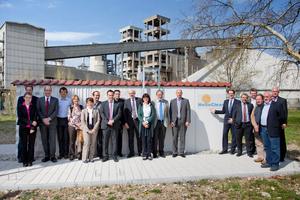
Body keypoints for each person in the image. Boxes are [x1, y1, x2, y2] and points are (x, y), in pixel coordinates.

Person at [260, 91, 286, 171]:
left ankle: (275, 164)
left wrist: (279, 123)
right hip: (264, 128)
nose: (265, 98)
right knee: (267, 147)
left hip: (273, 129)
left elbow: (282, 116)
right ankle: (269, 162)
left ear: (271, 97)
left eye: (267, 96)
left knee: (275, 147)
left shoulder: (277, 105)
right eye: (264, 97)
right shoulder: (263, 105)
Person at [209, 89, 239, 155]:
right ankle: (224, 149)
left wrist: (233, 119)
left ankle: (232, 149)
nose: (231, 94)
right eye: (229, 93)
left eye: (232, 93)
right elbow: (223, 111)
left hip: (234, 121)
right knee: (225, 134)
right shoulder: (226, 101)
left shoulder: (237, 102)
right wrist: (215, 111)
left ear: (234, 94)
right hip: (226, 120)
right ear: (228, 94)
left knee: (234, 135)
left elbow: (238, 112)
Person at [37, 86, 59, 163]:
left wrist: (49, 119)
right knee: (44, 139)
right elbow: (38, 111)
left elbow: (56, 111)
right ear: (44, 91)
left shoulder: (55, 100)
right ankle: (47, 155)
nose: (48, 92)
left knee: (52, 139)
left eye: (49, 90)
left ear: (51, 91)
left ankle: (53, 156)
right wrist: (44, 119)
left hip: (52, 122)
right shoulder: (39, 100)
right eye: (46, 90)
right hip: (42, 123)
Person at [17, 85, 38, 163]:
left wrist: (32, 127)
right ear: (24, 98)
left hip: (32, 128)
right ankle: (23, 159)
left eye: (29, 98)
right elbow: (20, 117)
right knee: (23, 144)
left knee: (31, 144)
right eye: (27, 97)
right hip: (23, 127)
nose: (28, 99)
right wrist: (31, 122)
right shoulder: (20, 105)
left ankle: (30, 159)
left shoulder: (34, 106)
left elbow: (35, 117)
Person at [100, 90, 122, 162]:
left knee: (114, 142)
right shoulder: (103, 104)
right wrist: (107, 122)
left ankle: (114, 156)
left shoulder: (118, 104)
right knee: (105, 142)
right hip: (106, 125)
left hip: (114, 125)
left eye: (112, 95)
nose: (111, 96)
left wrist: (113, 121)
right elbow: (102, 113)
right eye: (109, 95)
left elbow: (119, 114)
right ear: (107, 95)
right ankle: (105, 156)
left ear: (114, 95)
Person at [170, 89, 191, 158]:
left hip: (183, 121)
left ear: (182, 93)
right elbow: (170, 112)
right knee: (174, 137)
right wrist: (171, 121)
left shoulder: (186, 101)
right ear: (176, 93)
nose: (179, 94)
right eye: (178, 93)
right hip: (175, 122)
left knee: (182, 137)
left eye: (180, 93)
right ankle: (174, 152)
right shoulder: (172, 101)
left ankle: (181, 152)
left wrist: (188, 120)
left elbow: (188, 111)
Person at [81, 97, 100, 163]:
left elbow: (98, 120)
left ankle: (91, 157)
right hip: (86, 130)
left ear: (93, 103)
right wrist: (87, 130)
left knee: (92, 144)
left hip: (94, 130)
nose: (90, 104)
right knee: (86, 143)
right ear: (86, 103)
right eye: (88, 102)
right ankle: (84, 158)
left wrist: (94, 129)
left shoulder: (96, 111)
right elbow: (82, 121)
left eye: (91, 102)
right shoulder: (83, 111)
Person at [124, 89, 142, 158]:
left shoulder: (139, 100)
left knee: (139, 137)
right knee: (130, 138)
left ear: (135, 93)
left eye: (132, 93)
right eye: (130, 93)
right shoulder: (126, 101)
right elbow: (124, 113)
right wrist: (125, 122)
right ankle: (131, 152)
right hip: (130, 121)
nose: (131, 94)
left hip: (138, 121)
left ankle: (140, 152)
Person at [152, 90, 169, 158]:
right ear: (156, 95)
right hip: (156, 122)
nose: (160, 96)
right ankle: (154, 152)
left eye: (161, 94)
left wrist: (168, 122)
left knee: (162, 138)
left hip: (163, 122)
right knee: (155, 138)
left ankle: (161, 152)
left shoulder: (166, 102)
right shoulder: (153, 102)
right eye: (159, 94)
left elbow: (168, 113)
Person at [272, 87, 288, 162]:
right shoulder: (270, 100)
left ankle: (282, 156)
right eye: (273, 91)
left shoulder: (282, 100)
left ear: (278, 92)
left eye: (276, 91)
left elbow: (285, 112)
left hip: (279, 123)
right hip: (271, 124)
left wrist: (284, 122)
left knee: (281, 139)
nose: (275, 93)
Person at [138, 93, 156, 160]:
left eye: (147, 98)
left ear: (148, 99)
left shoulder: (151, 105)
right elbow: (139, 115)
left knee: (149, 139)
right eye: (144, 98)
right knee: (144, 139)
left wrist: (147, 122)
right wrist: (143, 122)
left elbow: (153, 114)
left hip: (149, 124)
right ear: (142, 99)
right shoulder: (140, 106)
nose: (146, 99)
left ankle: (149, 154)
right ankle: (144, 154)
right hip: (142, 124)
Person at [250, 94, 266, 164]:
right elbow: (252, 116)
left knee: (265, 143)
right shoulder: (255, 107)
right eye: (257, 99)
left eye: (259, 99)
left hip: (263, 127)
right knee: (258, 143)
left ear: (262, 99)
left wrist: (260, 125)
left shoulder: (265, 106)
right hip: (256, 128)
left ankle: (266, 158)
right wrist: (255, 125)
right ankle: (260, 157)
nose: (258, 101)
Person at [57, 87, 72, 159]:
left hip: (66, 120)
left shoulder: (69, 101)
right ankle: (61, 153)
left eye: (64, 92)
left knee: (66, 137)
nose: (63, 93)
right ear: (60, 93)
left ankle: (66, 153)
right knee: (60, 137)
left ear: (66, 93)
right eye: (62, 92)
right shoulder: (57, 100)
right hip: (59, 119)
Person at [67, 95, 84, 161]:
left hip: (80, 126)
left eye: (77, 99)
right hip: (72, 125)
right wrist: (75, 123)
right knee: (71, 141)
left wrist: (80, 124)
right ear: (72, 100)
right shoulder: (70, 108)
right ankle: (72, 155)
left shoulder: (81, 107)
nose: (76, 100)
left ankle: (79, 154)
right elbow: (69, 117)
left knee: (79, 141)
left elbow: (83, 116)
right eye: (74, 99)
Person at [114, 90, 125, 157]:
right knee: (114, 138)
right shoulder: (112, 102)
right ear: (114, 95)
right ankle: (114, 152)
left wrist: (124, 122)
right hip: (113, 122)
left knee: (120, 138)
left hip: (120, 122)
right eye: (116, 94)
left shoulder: (123, 101)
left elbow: (124, 113)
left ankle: (119, 152)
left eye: (118, 94)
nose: (117, 95)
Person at [92, 91, 103, 159]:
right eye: (96, 95)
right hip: (92, 125)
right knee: (92, 140)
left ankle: (100, 154)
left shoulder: (102, 104)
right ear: (93, 96)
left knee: (100, 140)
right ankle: (92, 154)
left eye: (98, 95)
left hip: (100, 124)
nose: (97, 97)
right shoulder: (90, 104)